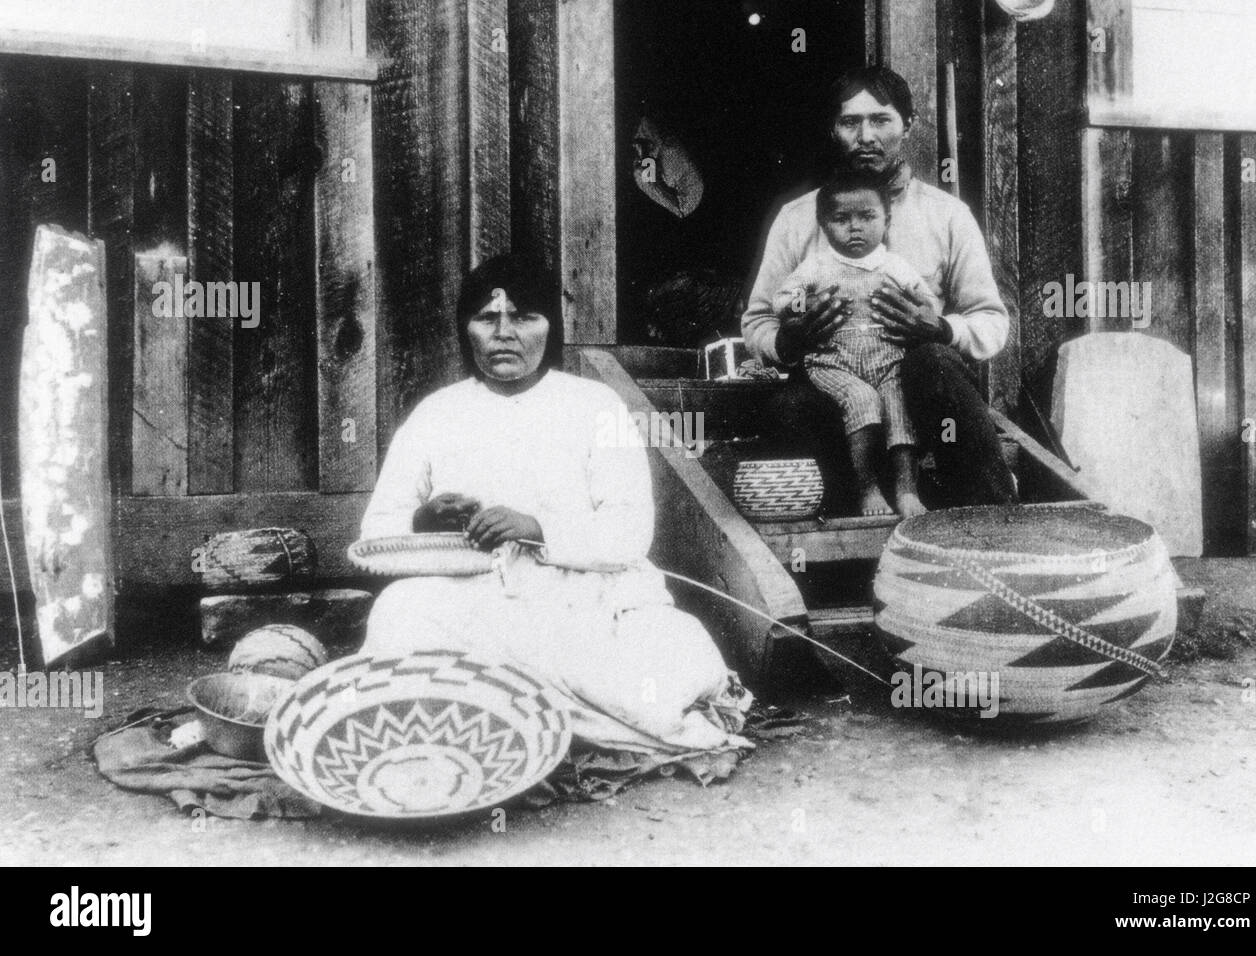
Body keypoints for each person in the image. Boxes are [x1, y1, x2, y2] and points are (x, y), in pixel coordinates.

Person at [360, 254, 752, 764]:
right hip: (474, 598)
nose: (504, 333)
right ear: (465, 329)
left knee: (660, 678)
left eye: (523, 317)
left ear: (552, 327)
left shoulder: (595, 405)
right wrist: (423, 521)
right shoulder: (436, 413)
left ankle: (498, 715)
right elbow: (377, 532)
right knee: (399, 614)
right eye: (487, 318)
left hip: (585, 597)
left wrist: (536, 527)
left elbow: (631, 530)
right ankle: (520, 716)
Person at [742, 65, 1018, 510]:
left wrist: (941, 328)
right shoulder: (798, 218)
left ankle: (996, 514)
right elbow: (758, 319)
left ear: (907, 125)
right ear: (834, 130)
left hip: (922, 407)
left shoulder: (946, 216)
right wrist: (790, 335)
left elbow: (991, 321)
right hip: (839, 399)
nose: (865, 135)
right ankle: (855, 506)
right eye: (850, 122)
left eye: (880, 120)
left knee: (934, 364)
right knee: (786, 408)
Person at [774, 168, 936, 517]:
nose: (855, 227)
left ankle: (906, 488)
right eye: (841, 219)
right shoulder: (816, 266)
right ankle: (867, 488)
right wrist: (804, 307)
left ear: (886, 220)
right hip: (834, 361)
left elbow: (926, 303)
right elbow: (783, 299)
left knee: (898, 404)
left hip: (887, 358)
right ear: (823, 224)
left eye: (867, 216)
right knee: (861, 400)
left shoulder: (895, 265)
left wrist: (922, 309)